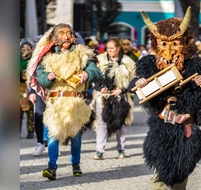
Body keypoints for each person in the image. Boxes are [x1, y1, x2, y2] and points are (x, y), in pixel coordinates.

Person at [128, 7, 201, 190]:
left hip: (186, 125)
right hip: (162, 124)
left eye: (175, 43)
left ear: (184, 42)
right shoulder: (149, 65)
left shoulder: (196, 66)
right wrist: (137, 82)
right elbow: (135, 84)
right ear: (156, 43)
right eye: (163, 44)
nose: (169, 51)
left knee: (182, 167)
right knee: (161, 163)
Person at [26, 23, 103, 180]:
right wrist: (47, 78)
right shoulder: (47, 58)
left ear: (73, 36)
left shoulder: (82, 55)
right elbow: (40, 77)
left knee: (75, 136)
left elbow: (96, 71)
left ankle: (76, 164)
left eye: (68, 34)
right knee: (54, 135)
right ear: (55, 38)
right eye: (61, 34)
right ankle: (52, 166)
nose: (66, 37)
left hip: (75, 101)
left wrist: (86, 74)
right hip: (56, 102)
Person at [91, 37, 136, 160]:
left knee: (120, 123)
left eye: (112, 48)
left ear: (118, 48)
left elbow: (133, 81)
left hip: (120, 97)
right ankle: (99, 150)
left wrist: (122, 90)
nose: (109, 50)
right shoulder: (100, 61)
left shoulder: (127, 62)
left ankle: (121, 149)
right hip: (102, 97)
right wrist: (100, 88)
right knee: (101, 123)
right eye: (108, 48)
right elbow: (94, 78)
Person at [20, 40, 35, 139]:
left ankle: (30, 131)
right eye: (23, 49)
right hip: (17, 88)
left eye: (28, 49)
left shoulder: (33, 60)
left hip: (30, 88)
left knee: (30, 112)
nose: (26, 51)